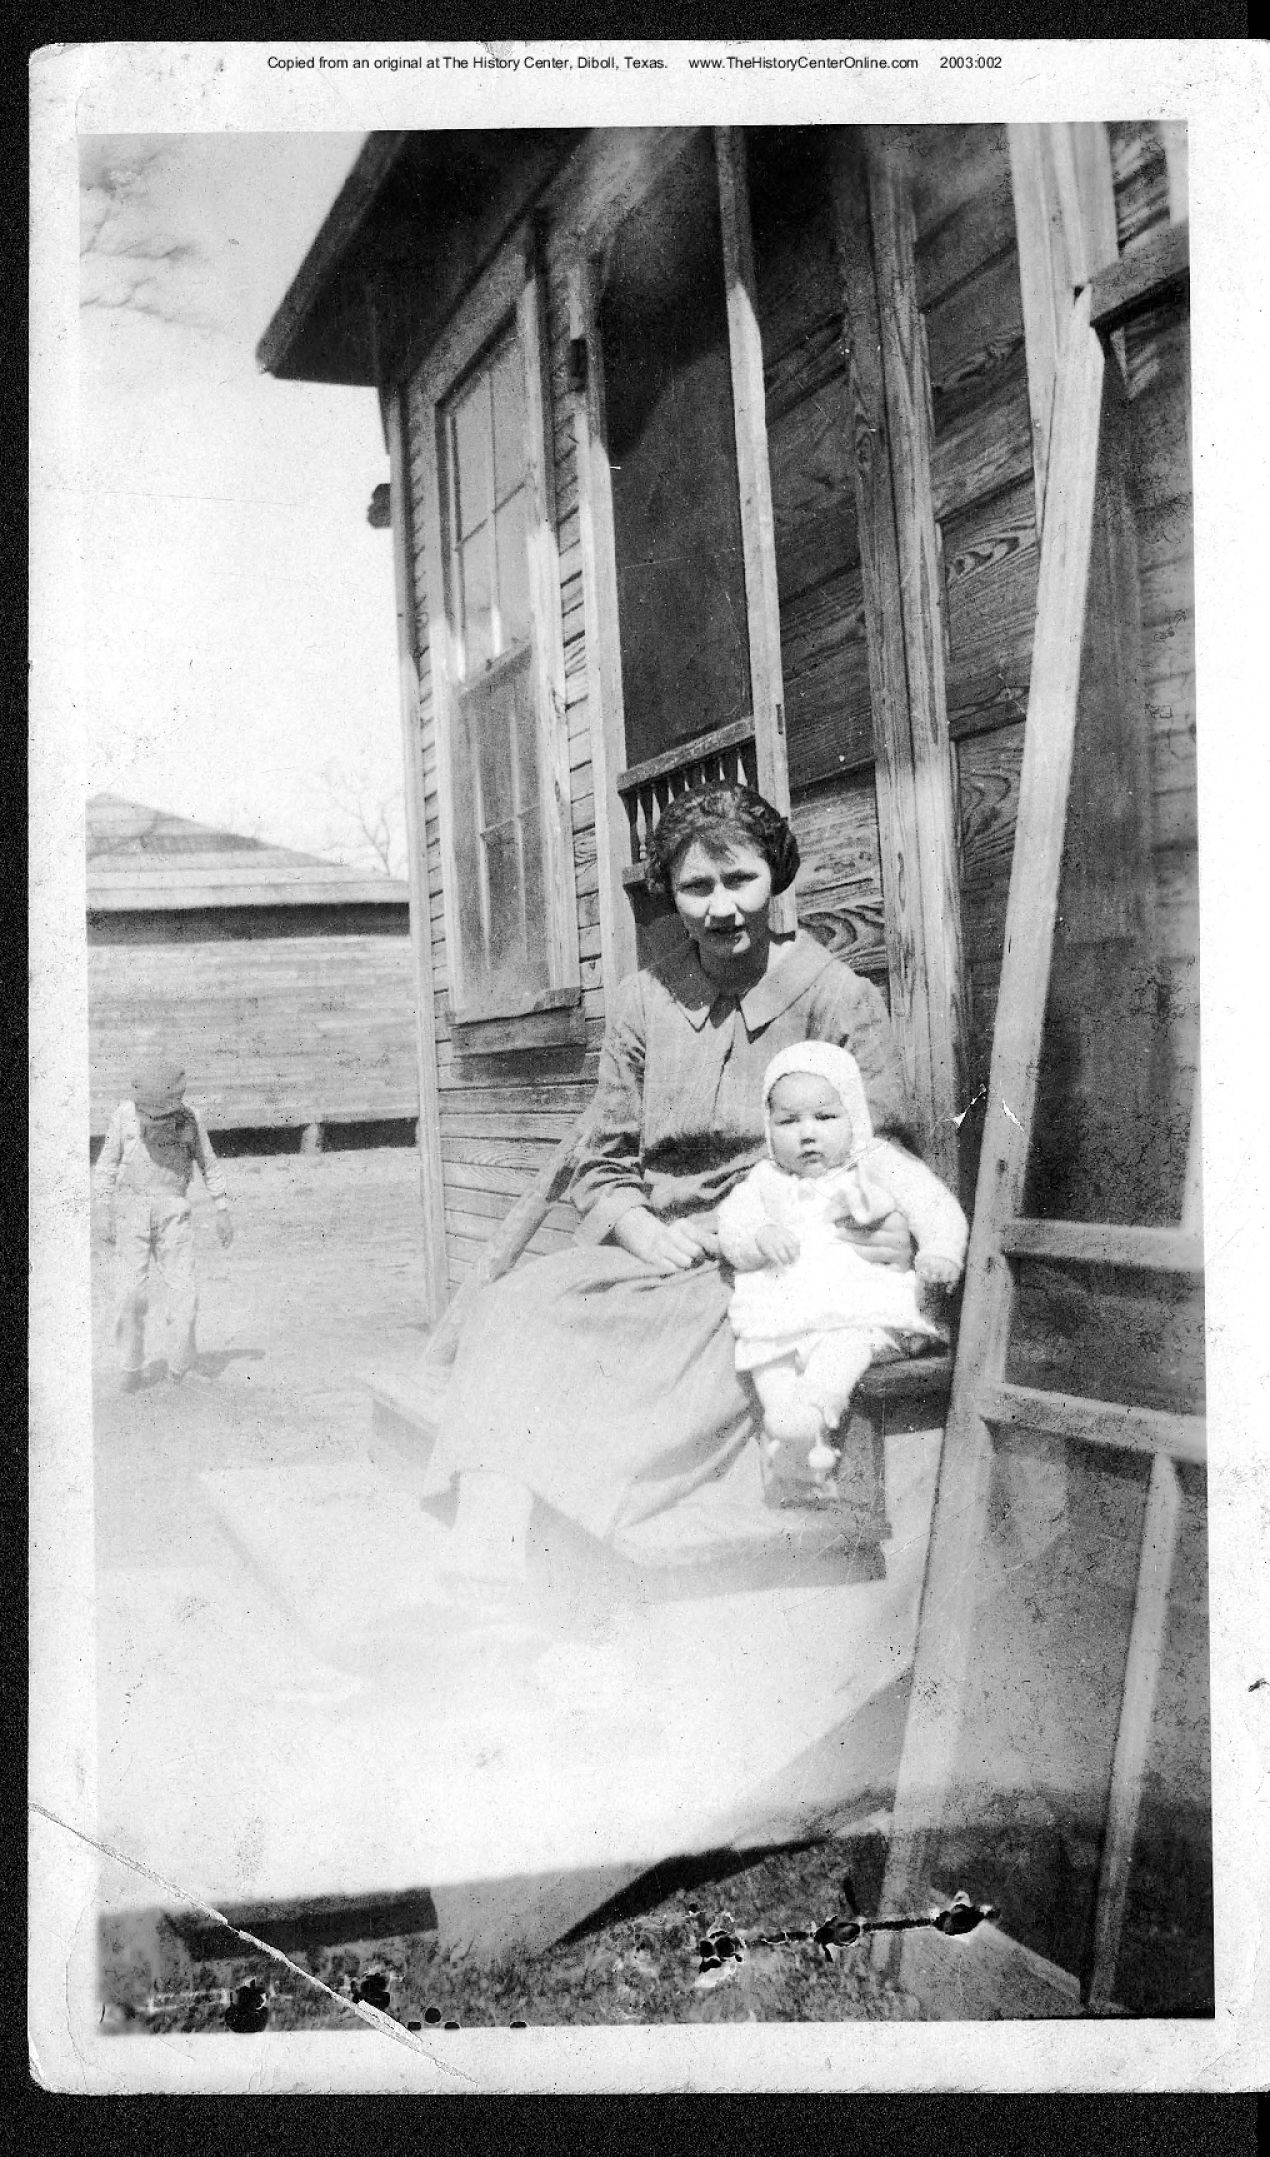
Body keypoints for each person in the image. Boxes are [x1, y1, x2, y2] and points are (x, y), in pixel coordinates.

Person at [424, 782, 921, 1601]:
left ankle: (550, 1565)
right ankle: (487, 1544)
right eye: (697, 887)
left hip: (778, 1249)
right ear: (671, 894)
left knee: (657, 1353)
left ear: (776, 878)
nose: (723, 908)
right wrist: (633, 1224)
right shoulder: (644, 1002)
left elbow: (886, 1154)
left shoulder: (838, 997)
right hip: (666, 1246)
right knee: (515, 1305)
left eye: (741, 882)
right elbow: (603, 1160)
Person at [717, 1039, 967, 1494]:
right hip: (783, 1317)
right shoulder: (765, 1180)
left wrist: (941, 1250)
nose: (807, 1133)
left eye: (825, 1117)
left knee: (843, 1351)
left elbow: (933, 1204)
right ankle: (789, 1437)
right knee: (765, 1359)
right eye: (788, 1122)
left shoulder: (874, 1163)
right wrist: (758, 1237)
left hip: (858, 1311)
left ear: (855, 1116)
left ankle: (810, 1414)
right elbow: (732, 1225)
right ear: (768, 1128)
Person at [94, 1057, 233, 1389]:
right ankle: (130, 1369)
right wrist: (102, 1210)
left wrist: (223, 1208)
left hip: (174, 1211)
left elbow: (208, 1164)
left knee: (185, 1294)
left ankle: (179, 1370)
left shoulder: (190, 1118)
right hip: (131, 1210)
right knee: (130, 1295)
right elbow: (106, 1165)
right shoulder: (124, 1116)